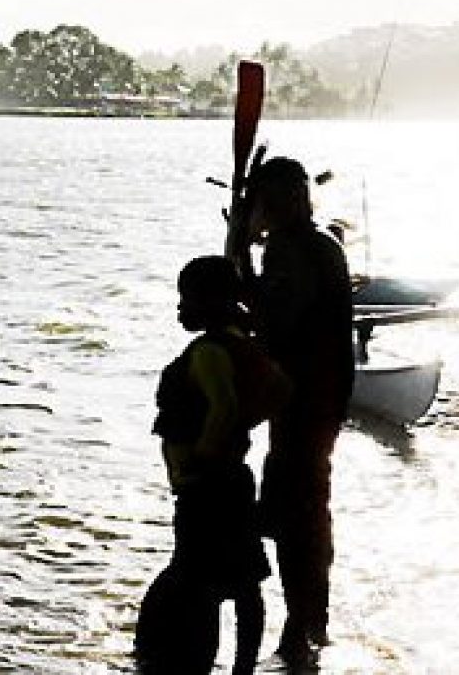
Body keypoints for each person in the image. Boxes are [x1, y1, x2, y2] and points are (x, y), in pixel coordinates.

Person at [135, 256, 289, 675]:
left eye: (186, 299)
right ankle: (242, 668)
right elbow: (279, 389)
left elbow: (224, 407)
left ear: (209, 301)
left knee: (196, 585)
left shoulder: (208, 352)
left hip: (206, 487)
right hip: (233, 480)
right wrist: (239, 432)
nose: (180, 308)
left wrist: (201, 458)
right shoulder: (243, 344)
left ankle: (190, 663)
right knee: (242, 582)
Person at [232, 156, 354, 662]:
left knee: (293, 519)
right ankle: (310, 623)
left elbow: (274, 321)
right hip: (323, 401)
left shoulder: (290, 248)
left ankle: (300, 628)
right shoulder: (323, 242)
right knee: (308, 512)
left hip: (304, 402)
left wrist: (240, 252)